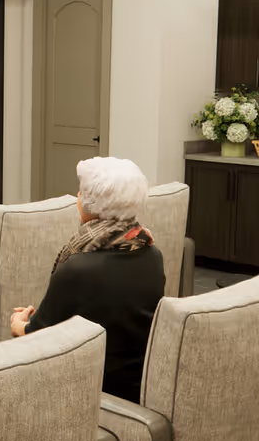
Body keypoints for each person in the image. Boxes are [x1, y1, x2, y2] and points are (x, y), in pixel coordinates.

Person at [10, 157, 163, 402]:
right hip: (137, 382)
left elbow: (37, 336)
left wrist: (19, 324)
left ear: (93, 206)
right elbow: (109, 310)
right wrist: (47, 313)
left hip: (87, 387)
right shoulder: (151, 253)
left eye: (81, 193)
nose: (78, 196)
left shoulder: (78, 267)